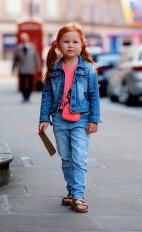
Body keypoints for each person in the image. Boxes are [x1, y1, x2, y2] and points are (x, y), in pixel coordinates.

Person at [38, 23, 100, 213]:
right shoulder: (54, 69)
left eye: (75, 41)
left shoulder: (88, 69)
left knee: (79, 158)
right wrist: (44, 118)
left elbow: (94, 95)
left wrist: (94, 119)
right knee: (66, 158)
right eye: (66, 41)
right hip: (59, 119)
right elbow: (47, 95)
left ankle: (79, 195)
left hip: (81, 119)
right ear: (58, 45)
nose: (70, 45)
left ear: (82, 45)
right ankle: (71, 192)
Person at [12, 32, 40, 102]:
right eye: (22, 38)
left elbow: (36, 57)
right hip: (22, 69)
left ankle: (28, 96)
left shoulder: (32, 47)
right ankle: (24, 96)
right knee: (22, 84)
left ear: (27, 39)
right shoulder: (18, 48)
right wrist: (13, 68)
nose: (23, 39)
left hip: (30, 69)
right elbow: (15, 59)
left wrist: (38, 67)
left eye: (25, 38)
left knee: (30, 84)